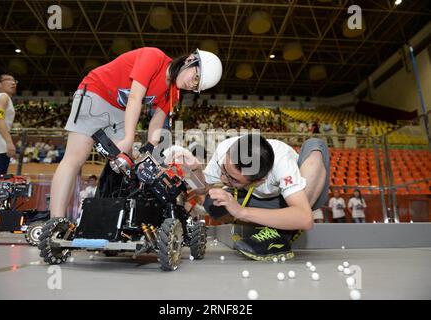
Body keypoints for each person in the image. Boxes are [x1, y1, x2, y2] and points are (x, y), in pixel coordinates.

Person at [49, 47, 222, 218]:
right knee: (76, 158)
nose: (192, 85)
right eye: (196, 77)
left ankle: (107, 218)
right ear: (190, 60)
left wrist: (149, 152)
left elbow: (157, 123)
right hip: (96, 91)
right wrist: (129, 138)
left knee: (126, 167)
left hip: (120, 110)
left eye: (197, 86)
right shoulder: (154, 57)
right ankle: (55, 221)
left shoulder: (173, 93)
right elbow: (135, 98)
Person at [177, 134, 330, 261]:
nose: (223, 180)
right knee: (213, 203)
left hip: (296, 200)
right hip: (258, 200)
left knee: (315, 145)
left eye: (233, 179)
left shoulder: (282, 164)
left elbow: (305, 218)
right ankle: (264, 227)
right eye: (224, 170)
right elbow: (203, 189)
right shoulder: (225, 149)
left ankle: (282, 235)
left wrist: (241, 212)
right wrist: (192, 173)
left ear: (259, 181)